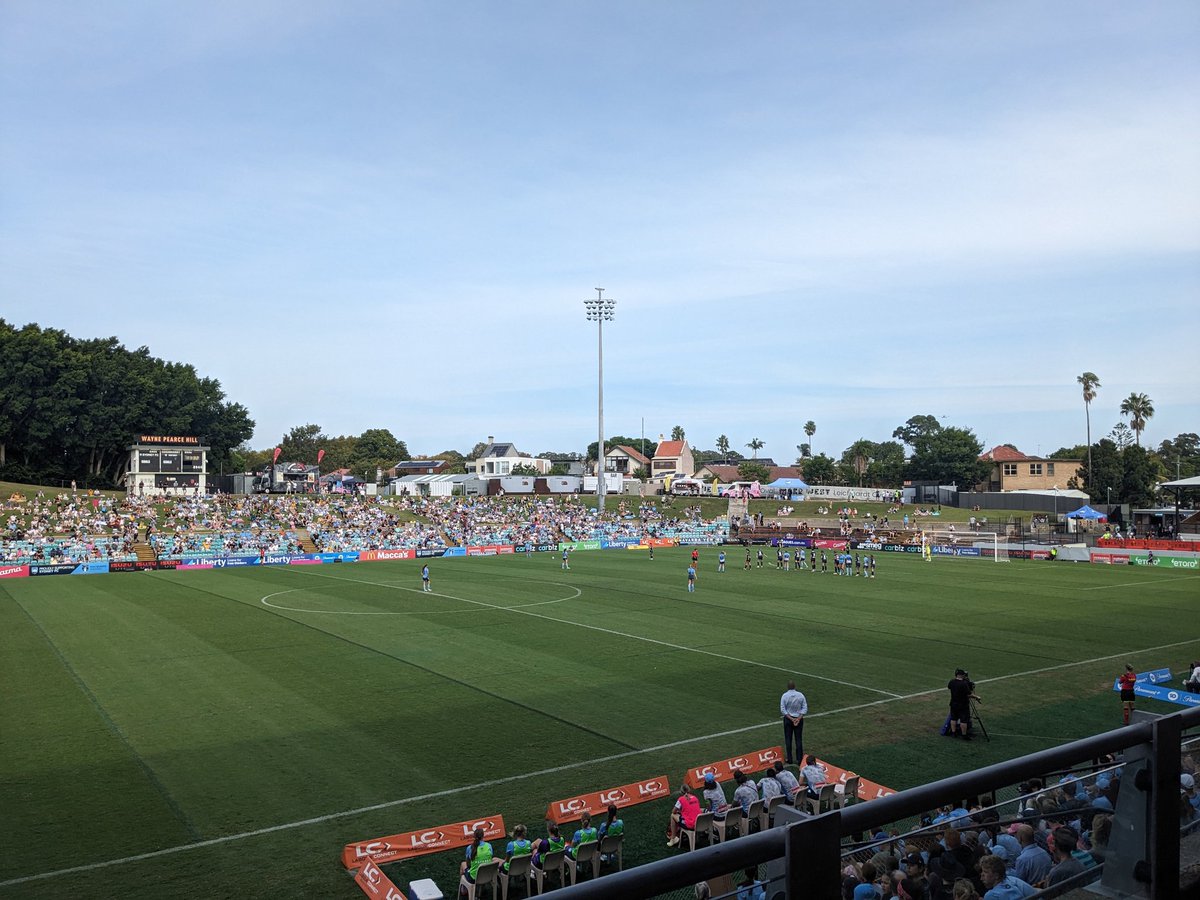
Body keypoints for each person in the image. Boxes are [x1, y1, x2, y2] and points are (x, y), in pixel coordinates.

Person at [780, 680, 808, 764]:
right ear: (795, 686)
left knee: (788, 739)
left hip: (788, 720)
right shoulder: (800, 695)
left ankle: (790, 759)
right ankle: (799, 759)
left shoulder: (785, 696)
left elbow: (783, 710)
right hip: (798, 719)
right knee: (798, 739)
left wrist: (791, 719)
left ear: (788, 687)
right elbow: (805, 708)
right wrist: (798, 718)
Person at [947, 669, 975, 740]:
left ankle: (953, 733)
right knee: (964, 720)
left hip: (953, 703)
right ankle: (964, 735)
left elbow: (949, 687)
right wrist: (977, 697)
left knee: (953, 718)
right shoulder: (964, 684)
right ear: (962, 675)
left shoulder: (952, 682)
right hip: (963, 705)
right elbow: (969, 694)